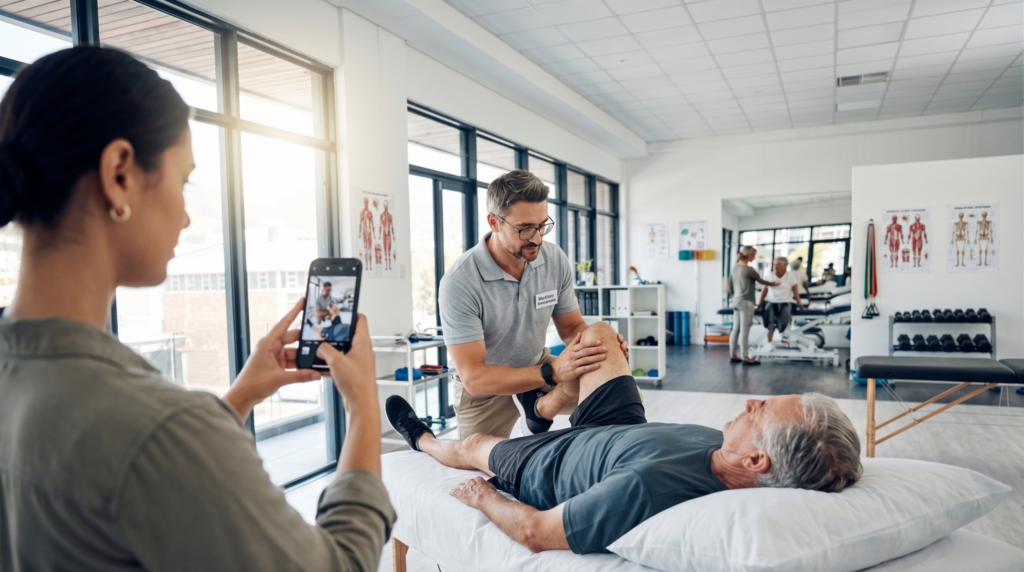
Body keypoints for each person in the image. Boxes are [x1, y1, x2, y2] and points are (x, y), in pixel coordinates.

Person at [0, 47, 393, 571]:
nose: (187, 217)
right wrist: (365, 408)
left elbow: (135, 479)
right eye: (182, 182)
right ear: (119, 173)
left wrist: (242, 393)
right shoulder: (158, 427)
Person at [385, 321, 862, 555]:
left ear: (757, 462)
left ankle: (422, 440)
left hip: (551, 465)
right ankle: (542, 408)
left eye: (759, 412)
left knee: (471, 447)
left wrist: (484, 496)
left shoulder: (649, 487)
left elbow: (536, 533)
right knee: (597, 337)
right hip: (621, 430)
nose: (748, 404)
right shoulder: (724, 447)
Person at [438, 170, 628, 439]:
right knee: (481, 468)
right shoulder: (459, 282)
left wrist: (600, 348)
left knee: (620, 395)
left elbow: (572, 325)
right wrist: (551, 372)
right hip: (487, 389)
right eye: (525, 228)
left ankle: (539, 409)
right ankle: (424, 439)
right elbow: (474, 377)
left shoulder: (553, 258)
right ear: (494, 222)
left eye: (542, 225)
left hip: (538, 363)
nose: (537, 238)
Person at [728, 246, 778, 365]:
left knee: (736, 329)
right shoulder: (749, 269)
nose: (755, 258)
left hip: (736, 301)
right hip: (746, 302)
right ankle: (745, 356)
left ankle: (733, 355)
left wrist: (734, 297)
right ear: (749, 255)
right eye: (754, 255)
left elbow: (730, 285)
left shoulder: (735, 268)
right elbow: (761, 281)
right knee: (745, 330)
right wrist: (774, 284)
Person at [756, 257, 805, 343]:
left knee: (785, 310)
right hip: (771, 302)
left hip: (786, 302)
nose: (775, 266)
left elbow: (795, 292)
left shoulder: (790, 276)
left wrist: (801, 305)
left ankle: (783, 334)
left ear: (784, 266)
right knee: (768, 310)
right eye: (774, 264)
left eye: (778, 264)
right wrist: (759, 304)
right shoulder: (769, 275)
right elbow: (764, 291)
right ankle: (769, 342)